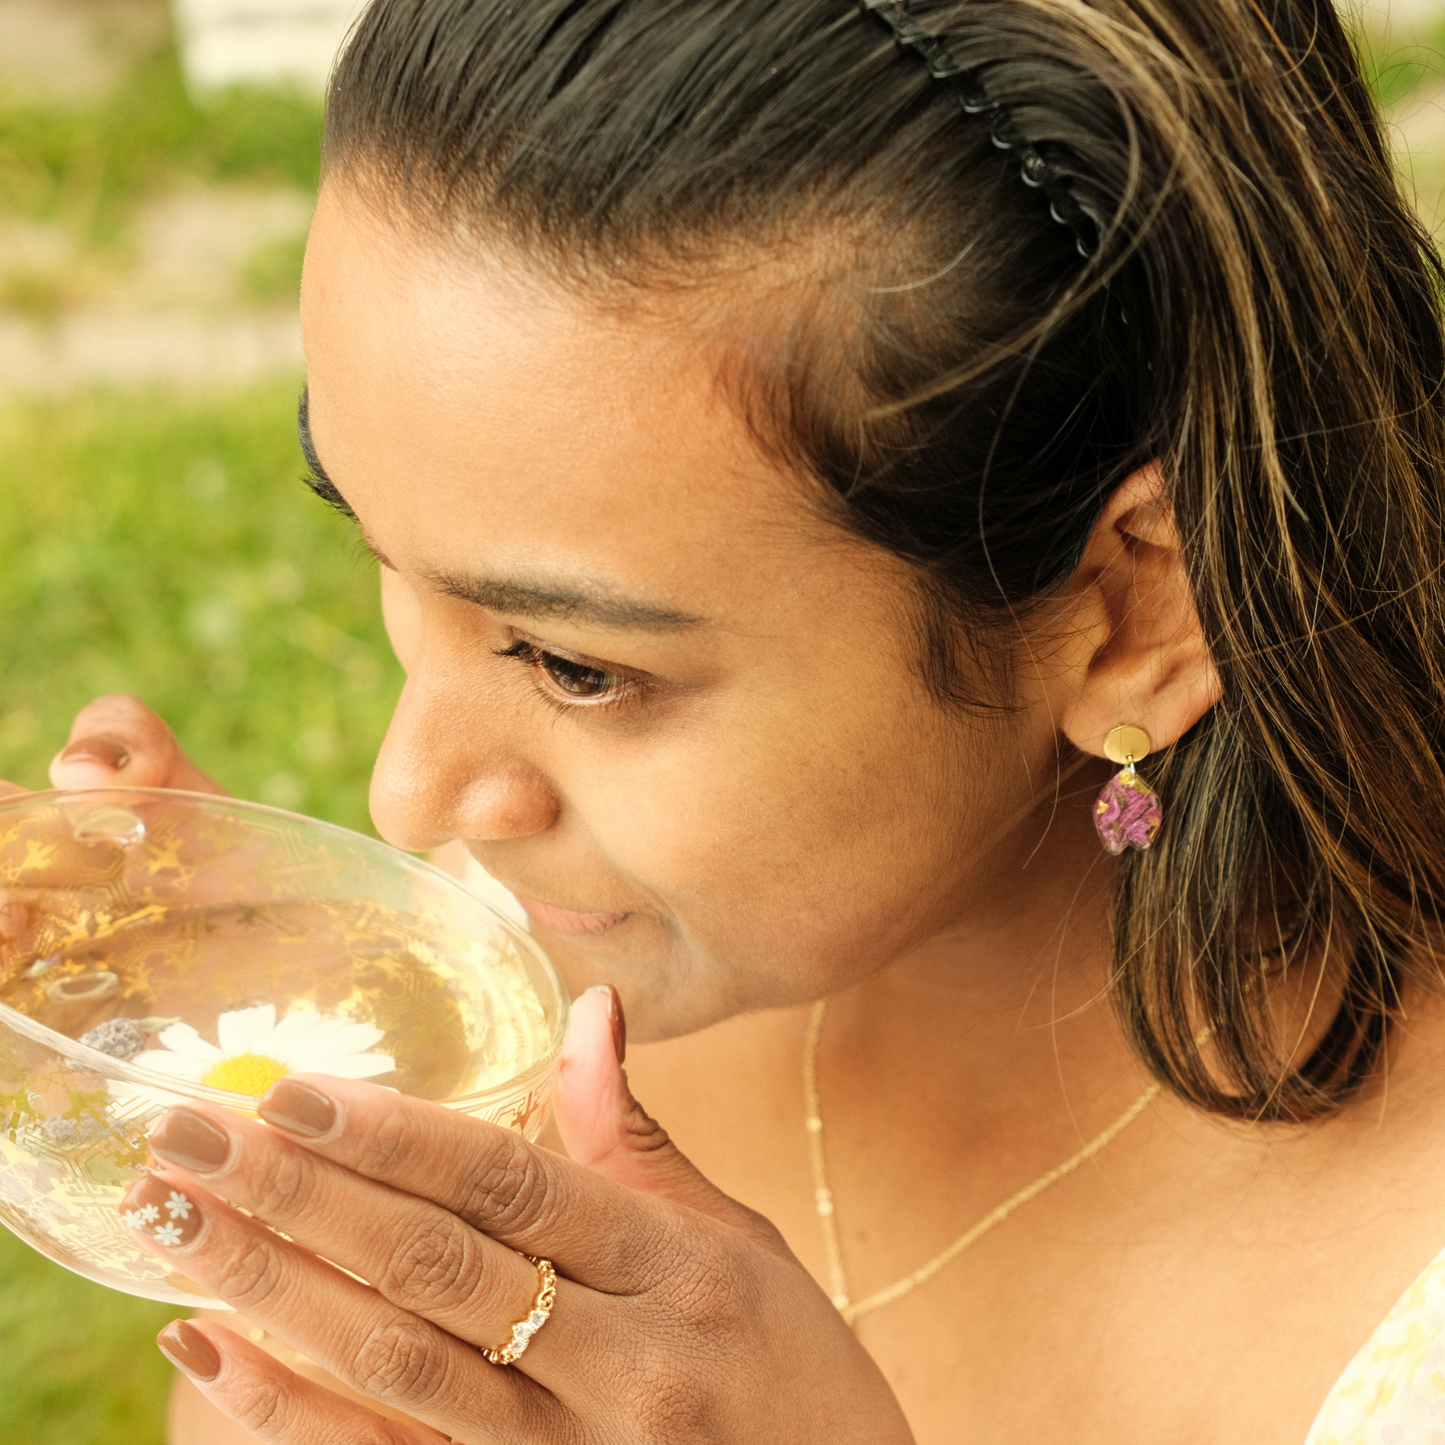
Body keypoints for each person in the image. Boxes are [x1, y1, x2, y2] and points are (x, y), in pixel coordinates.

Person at [32, 0, 1445, 1438]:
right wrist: (306, 1035)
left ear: (1135, 616)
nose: (409, 800)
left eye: (575, 667)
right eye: (378, 547)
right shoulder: (523, 999)